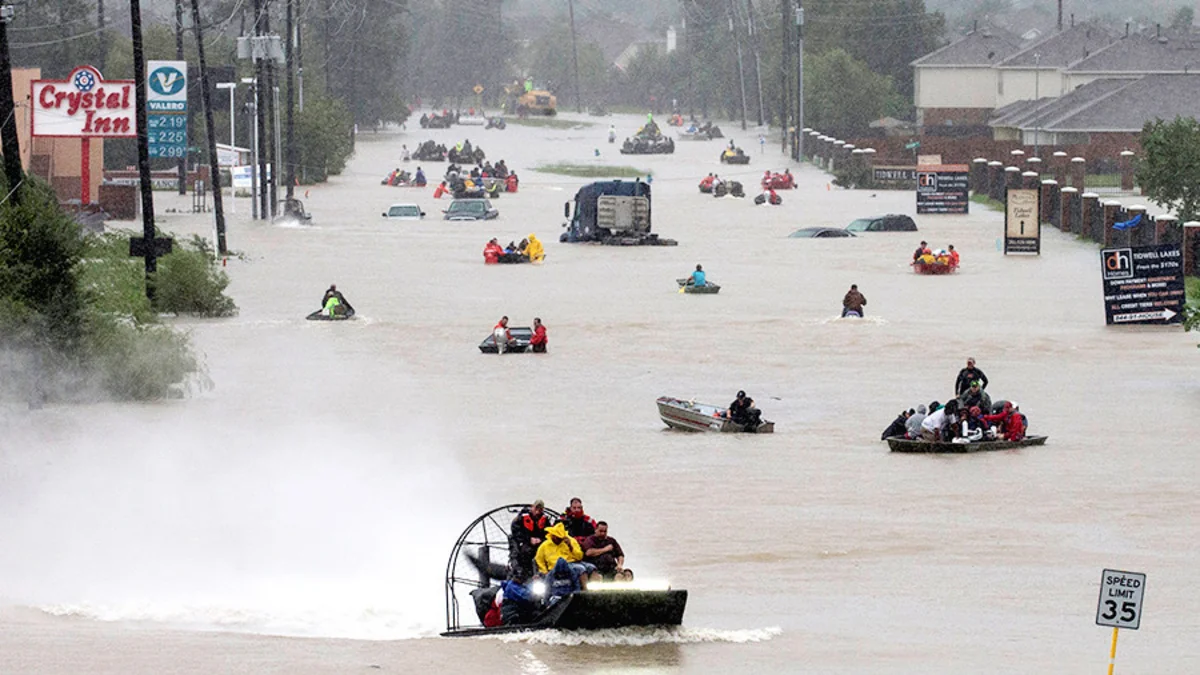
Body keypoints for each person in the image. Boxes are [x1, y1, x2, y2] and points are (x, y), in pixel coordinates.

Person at [535, 522, 596, 588]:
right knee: (581, 569)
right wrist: (544, 572)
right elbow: (539, 560)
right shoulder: (544, 545)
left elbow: (580, 557)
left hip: (574, 562)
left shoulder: (571, 541)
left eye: (561, 538)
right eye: (558, 538)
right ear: (553, 535)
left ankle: (596, 592)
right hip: (558, 567)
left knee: (591, 567)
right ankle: (585, 591)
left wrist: (570, 546)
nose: (560, 540)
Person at [509, 500, 550, 579]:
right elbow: (515, 531)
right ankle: (525, 574)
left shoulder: (545, 520)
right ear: (532, 508)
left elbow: (549, 533)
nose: (537, 512)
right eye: (536, 509)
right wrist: (529, 539)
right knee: (526, 552)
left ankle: (542, 573)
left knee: (545, 553)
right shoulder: (522, 517)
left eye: (540, 510)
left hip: (540, 543)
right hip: (525, 542)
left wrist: (541, 540)